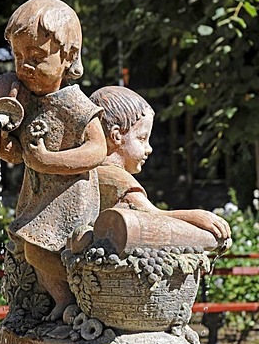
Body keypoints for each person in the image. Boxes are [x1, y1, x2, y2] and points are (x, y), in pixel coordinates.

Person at [0, 0, 107, 321]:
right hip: (38, 194)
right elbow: (15, 155)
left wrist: (49, 161)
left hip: (70, 195)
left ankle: (76, 298)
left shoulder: (74, 104)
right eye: (18, 56)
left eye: (37, 57)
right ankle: (63, 301)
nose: (25, 66)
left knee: (39, 249)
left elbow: (97, 151)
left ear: (68, 58)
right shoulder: (24, 102)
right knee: (33, 250)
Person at [89, 85, 231, 245]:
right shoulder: (114, 176)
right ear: (116, 136)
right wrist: (196, 217)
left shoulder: (94, 171)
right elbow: (153, 217)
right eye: (142, 138)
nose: (149, 149)